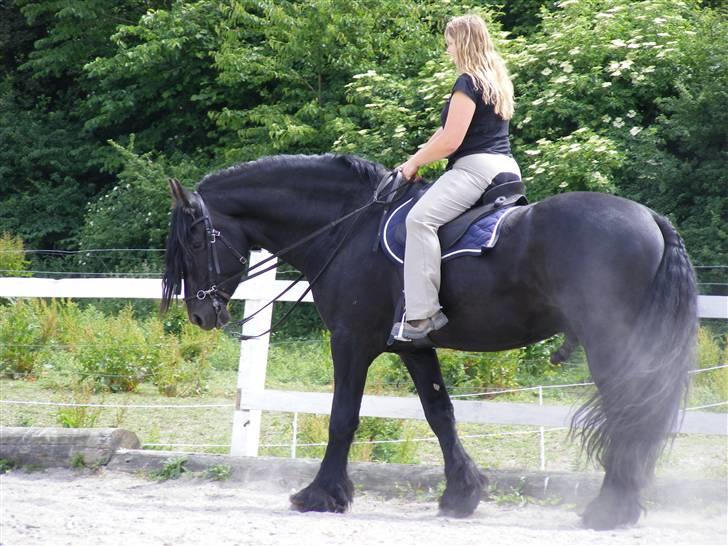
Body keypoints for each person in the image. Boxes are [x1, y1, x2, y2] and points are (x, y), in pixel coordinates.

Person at [392, 13, 520, 341]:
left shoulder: (466, 82)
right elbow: (444, 131)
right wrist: (414, 160)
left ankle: (422, 316)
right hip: (506, 169)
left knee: (419, 221)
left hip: (474, 170)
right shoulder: (495, 79)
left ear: (461, 43)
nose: (447, 50)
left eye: (449, 43)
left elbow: (452, 141)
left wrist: (410, 166)